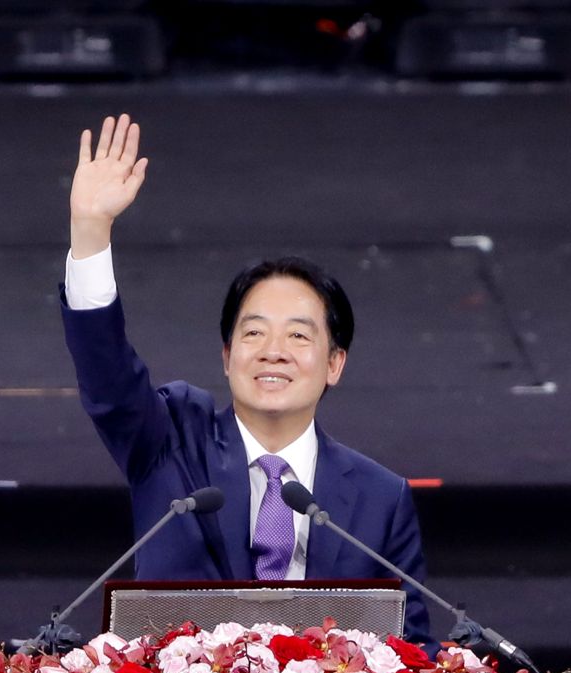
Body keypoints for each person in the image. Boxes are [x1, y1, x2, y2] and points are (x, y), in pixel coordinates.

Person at [60, 113, 432, 644]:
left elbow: (412, 650)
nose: (274, 352)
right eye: (254, 333)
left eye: (298, 336)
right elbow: (109, 381)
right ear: (227, 355)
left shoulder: (380, 497)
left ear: (334, 363)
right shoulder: (171, 444)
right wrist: (90, 231)